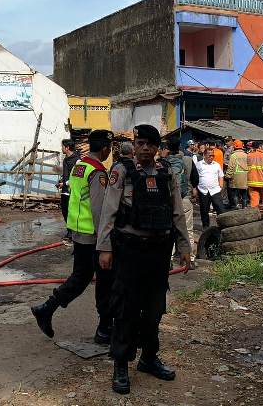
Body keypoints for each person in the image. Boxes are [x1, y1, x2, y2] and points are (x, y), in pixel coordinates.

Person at [98, 124, 191, 395]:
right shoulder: (121, 171)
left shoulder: (167, 173)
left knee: (154, 309)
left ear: (158, 147)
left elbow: (177, 213)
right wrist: (105, 248)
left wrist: (185, 246)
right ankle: (121, 365)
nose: (146, 148)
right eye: (141, 143)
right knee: (126, 309)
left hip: (159, 251)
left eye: (151, 143)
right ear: (135, 145)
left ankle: (149, 358)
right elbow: (108, 212)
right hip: (129, 250)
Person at [31, 130, 115, 344]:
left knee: (81, 277)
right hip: (93, 236)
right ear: (105, 148)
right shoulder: (97, 171)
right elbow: (99, 209)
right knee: (105, 281)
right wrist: (105, 240)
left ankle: (47, 308)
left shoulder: (80, 166)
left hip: (78, 231)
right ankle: (105, 329)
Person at [165, 139, 197, 267]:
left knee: (168, 228)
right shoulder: (188, 160)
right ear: (180, 147)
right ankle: (191, 259)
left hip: (167, 200)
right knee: (188, 228)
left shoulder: (163, 162)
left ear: (167, 147)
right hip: (184, 198)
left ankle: (169, 260)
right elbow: (196, 179)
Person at [196, 148, 226, 229]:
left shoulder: (216, 164)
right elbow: (195, 177)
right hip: (203, 191)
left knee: (220, 209)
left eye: (213, 155)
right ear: (204, 155)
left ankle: (223, 226)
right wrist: (195, 190)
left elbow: (221, 176)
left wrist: (221, 186)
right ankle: (205, 227)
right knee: (204, 210)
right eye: (210, 155)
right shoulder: (198, 165)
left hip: (215, 190)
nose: (212, 157)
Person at [57, 138, 80, 241]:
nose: (61, 148)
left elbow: (77, 177)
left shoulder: (78, 160)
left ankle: (73, 233)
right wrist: (62, 181)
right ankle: (70, 230)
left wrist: (65, 183)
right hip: (65, 191)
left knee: (72, 212)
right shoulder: (65, 159)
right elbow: (66, 174)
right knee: (65, 211)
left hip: (72, 192)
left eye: (62, 146)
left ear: (67, 148)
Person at [225, 139, 249, 209]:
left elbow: (230, 167)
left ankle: (236, 206)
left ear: (234, 146)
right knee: (244, 193)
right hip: (245, 177)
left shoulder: (233, 156)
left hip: (235, 177)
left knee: (234, 193)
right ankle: (244, 207)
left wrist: (228, 175)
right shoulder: (246, 155)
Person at [247, 141, 263, 209]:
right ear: (260, 146)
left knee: (254, 200)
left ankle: (254, 214)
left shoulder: (249, 155)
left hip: (252, 181)